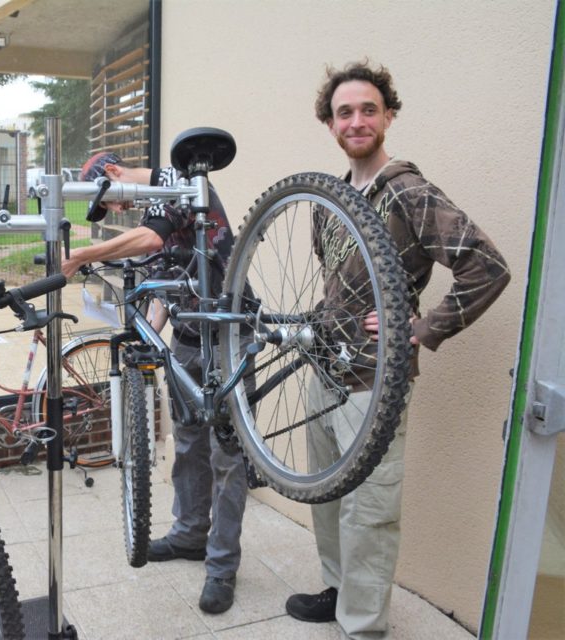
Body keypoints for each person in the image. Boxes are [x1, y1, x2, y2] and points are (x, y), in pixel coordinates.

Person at [284, 62, 511, 639]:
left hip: (375, 380)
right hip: (326, 369)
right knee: (329, 494)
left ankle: (362, 626)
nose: (356, 121)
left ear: (388, 115)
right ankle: (338, 591)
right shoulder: (329, 196)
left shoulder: (409, 190)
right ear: (329, 123)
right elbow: (339, 278)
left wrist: (420, 327)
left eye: (367, 109)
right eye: (344, 112)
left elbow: (487, 267)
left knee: (370, 507)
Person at [62, 152, 247, 614]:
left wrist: (81, 255)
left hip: (228, 332)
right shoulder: (154, 209)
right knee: (187, 442)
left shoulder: (177, 180)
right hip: (187, 337)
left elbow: (148, 238)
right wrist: (145, 338)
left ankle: (222, 567)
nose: (115, 214)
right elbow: (163, 290)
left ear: (113, 176)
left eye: (109, 204)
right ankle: (188, 535)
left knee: (228, 454)